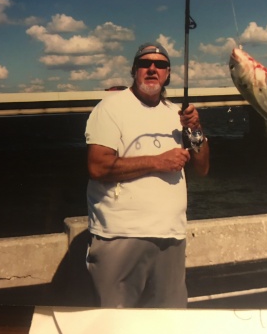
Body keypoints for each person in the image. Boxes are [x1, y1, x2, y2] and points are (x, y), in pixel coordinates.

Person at [85, 42, 209, 308]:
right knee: (115, 328)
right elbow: (98, 167)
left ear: (168, 74)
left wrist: (196, 128)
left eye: (161, 65)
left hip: (171, 237)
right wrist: (158, 161)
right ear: (134, 70)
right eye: (145, 63)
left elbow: (202, 167)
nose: (153, 69)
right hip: (120, 235)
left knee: (166, 327)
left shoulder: (177, 114)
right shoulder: (110, 108)